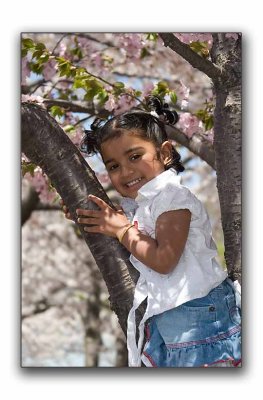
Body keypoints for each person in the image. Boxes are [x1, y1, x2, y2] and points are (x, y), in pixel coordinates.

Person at [62, 96, 241, 368]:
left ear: (165, 153)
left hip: (201, 321)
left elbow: (164, 259)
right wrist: (89, 216)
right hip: (174, 322)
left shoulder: (173, 198)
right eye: (113, 166)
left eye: (135, 156)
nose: (125, 171)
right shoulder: (142, 205)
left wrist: (122, 230)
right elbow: (129, 232)